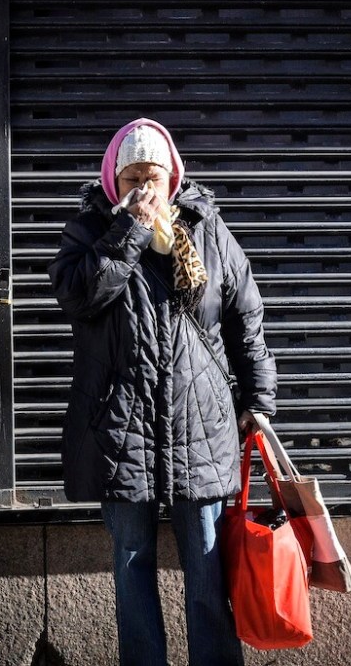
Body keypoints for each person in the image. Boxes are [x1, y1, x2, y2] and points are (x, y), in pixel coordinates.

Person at [48, 118, 277, 665]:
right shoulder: (87, 230)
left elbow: (245, 318)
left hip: (199, 423)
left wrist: (259, 402)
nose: (145, 191)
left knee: (207, 565)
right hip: (119, 428)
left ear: (172, 177)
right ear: (114, 179)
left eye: (154, 178)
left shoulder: (205, 225)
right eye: (133, 179)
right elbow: (80, 297)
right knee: (132, 567)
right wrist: (129, 227)